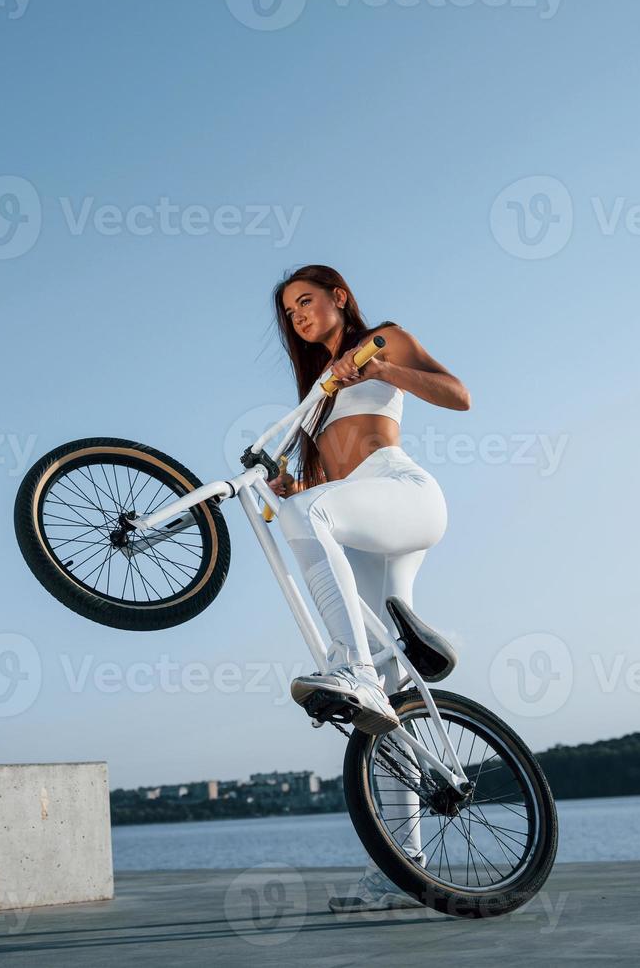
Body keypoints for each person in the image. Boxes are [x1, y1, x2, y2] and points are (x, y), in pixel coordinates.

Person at [265, 265, 470, 911]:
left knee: (315, 517)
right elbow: (320, 498)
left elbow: (458, 394)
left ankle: (361, 661)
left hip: (404, 492)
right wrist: (290, 487)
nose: (298, 315)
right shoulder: (316, 400)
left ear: (338, 297)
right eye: (288, 310)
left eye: (306, 300)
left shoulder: (381, 342)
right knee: (383, 705)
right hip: (364, 523)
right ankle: (404, 867)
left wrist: (382, 371)